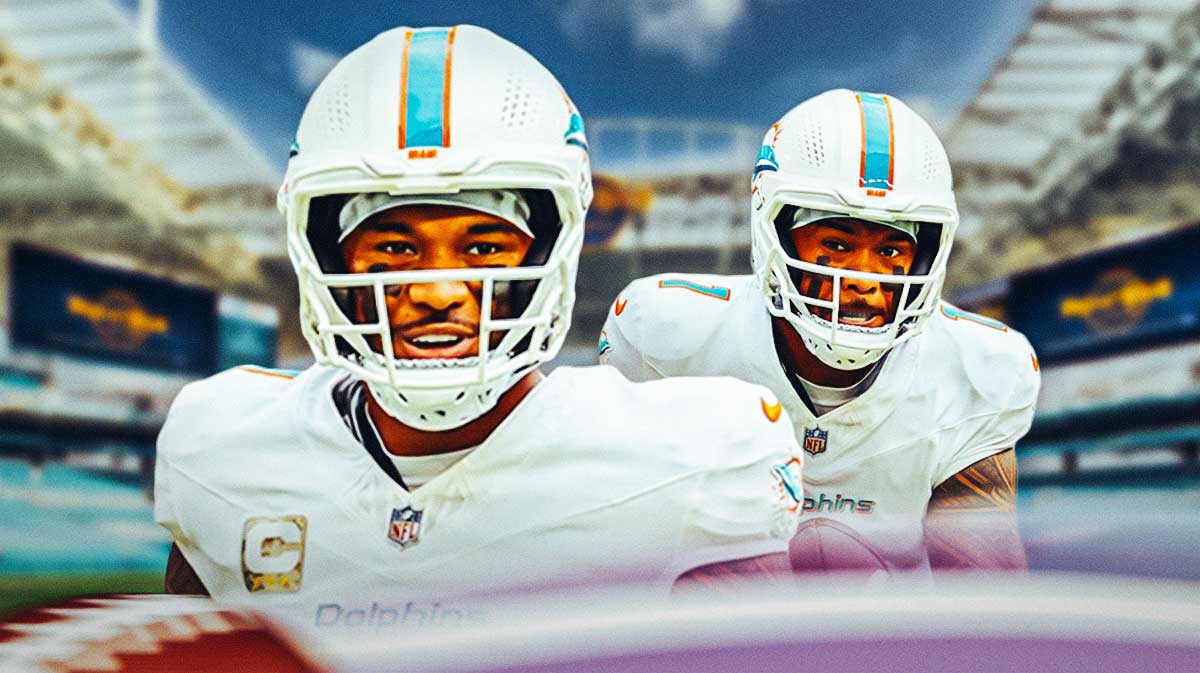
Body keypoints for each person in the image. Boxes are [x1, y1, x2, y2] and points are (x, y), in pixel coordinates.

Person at [153, 25, 804, 607]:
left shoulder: (688, 459)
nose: (437, 289)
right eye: (396, 247)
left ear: (553, 249)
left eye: (484, 247)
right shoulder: (224, 449)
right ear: (329, 256)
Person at [600, 89, 1039, 575]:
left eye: (892, 251)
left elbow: (981, 603)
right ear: (774, 232)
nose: (865, 278)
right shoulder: (666, 334)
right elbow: (615, 555)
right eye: (836, 242)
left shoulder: (976, 367)